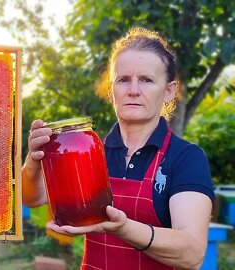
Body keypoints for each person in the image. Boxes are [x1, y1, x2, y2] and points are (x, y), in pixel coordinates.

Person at [22, 27, 214, 270]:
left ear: (168, 91)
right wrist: (33, 162)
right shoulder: (89, 151)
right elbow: (33, 198)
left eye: (146, 80)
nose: (133, 90)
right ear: (111, 92)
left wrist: (123, 228)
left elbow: (192, 253)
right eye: (123, 80)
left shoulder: (186, 158)